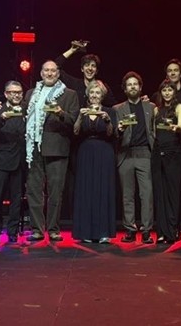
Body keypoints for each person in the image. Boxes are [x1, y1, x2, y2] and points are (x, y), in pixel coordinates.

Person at [23, 60, 79, 242]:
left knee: (55, 191)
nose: (49, 73)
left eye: (53, 71)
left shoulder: (69, 94)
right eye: (46, 70)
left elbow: (73, 121)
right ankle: (37, 229)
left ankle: (53, 228)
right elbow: (22, 114)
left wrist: (60, 113)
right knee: (34, 191)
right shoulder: (31, 93)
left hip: (56, 147)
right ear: (41, 73)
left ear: (58, 74)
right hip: (33, 147)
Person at [113, 72, 157, 244]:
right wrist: (119, 130)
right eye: (129, 84)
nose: (132, 87)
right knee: (127, 195)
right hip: (126, 154)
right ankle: (130, 229)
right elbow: (113, 133)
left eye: (135, 84)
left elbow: (154, 130)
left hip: (145, 153)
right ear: (125, 89)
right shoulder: (118, 109)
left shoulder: (151, 107)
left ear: (140, 87)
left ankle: (146, 230)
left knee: (147, 194)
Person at [71, 80, 116, 244]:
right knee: (86, 189)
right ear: (88, 95)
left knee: (103, 189)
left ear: (102, 95)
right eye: (92, 92)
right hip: (86, 151)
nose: (94, 95)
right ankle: (85, 232)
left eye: (98, 93)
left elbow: (111, 134)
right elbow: (75, 132)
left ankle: (103, 231)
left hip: (104, 151)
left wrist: (108, 120)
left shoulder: (109, 111)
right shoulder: (82, 111)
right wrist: (79, 117)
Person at [0, 80, 27, 244]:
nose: (16, 95)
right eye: (12, 92)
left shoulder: (26, 109)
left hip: (19, 161)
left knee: (16, 200)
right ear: (6, 94)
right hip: (0, 161)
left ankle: (12, 232)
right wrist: (2, 118)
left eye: (19, 92)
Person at [151, 79, 181, 244]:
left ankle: (173, 230)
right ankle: (161, 231)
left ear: (174, 92)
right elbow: (153, 132)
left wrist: (176, 127)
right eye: (164, 90)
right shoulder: (156, 109)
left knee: (172, 192)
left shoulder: (179, 107)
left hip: (173, 152)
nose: (167, 93)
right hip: (158, 151)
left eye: (170, 90)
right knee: (160, 192)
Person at [55, 40, 116, 106]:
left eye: (93, 66)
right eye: (87, 65)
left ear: (96, 71)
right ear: (82, 69)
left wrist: (104, 95)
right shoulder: (74, 84)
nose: (90, 68)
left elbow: (113, 107)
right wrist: (72, 50)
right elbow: (55, 67)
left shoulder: (103, 87)